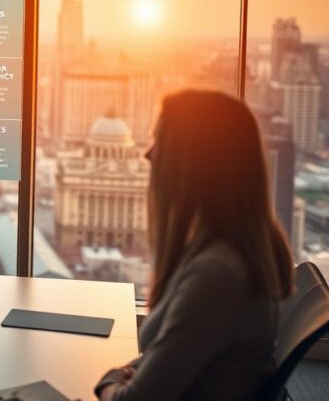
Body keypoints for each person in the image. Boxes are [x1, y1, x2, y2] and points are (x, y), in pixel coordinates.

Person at [95, 90, 293, 401]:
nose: (147, 155)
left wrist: (107, 381)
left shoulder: (216, 274)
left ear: (193, 162)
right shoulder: (227, 252)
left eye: (160, 141)